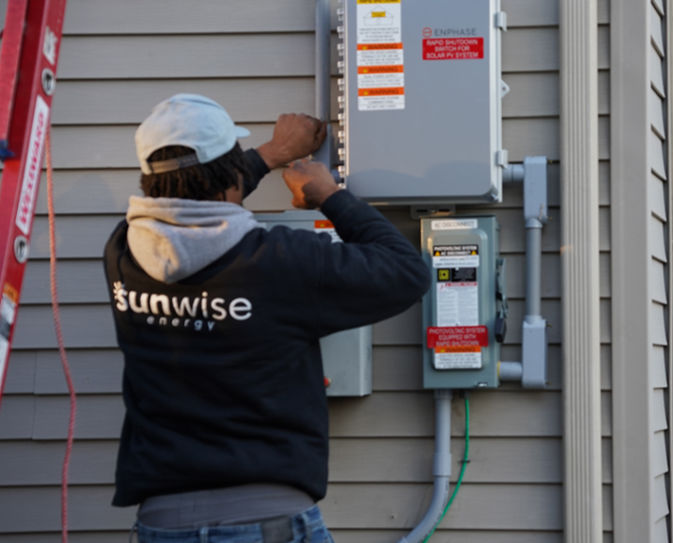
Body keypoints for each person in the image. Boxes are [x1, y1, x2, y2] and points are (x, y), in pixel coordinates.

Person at [103, 94, 430, 542]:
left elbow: (196, 201)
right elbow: (406, 272)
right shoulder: (279, 262)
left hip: (162, 524)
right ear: (229, 171)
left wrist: (272, 154)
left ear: (148, 178)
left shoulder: (123, 253)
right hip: (269, 522)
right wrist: (330, 196)